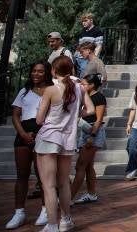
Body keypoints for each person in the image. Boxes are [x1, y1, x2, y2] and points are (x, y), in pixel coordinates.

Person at [34, 56, 95, 232]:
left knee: (49, 185)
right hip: (68, 140)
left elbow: (39, 120)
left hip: (49, 138)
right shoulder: (80, 88)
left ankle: (52, 224)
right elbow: (90, 110)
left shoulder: (51, 90)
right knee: (63, 183)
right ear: (72, 70)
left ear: (53, 70)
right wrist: (75, 115)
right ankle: (66, 220)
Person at [6, 61, 51, 230]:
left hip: (44, 134)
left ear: (47, 73)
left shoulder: (52, 91)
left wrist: (40, 133)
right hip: (24, 134)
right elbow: (16, 115)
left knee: (43, 176)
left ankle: (46, 210)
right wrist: (23, 134)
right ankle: (19, 212)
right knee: (22, 174)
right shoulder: (24, 91)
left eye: (40, 71)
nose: (36, 74)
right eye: (34, 71)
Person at [71, 74, 107, 204]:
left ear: (92, 85)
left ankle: (67, 198)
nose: (82, 86)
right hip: (84, 131)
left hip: (93, 132)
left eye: (84, 84)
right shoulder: (84, 96)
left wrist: (92, 136)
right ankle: (91, 194)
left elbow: (99, 119)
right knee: (87, 166)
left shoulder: (99, 97)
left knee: (80, 165)